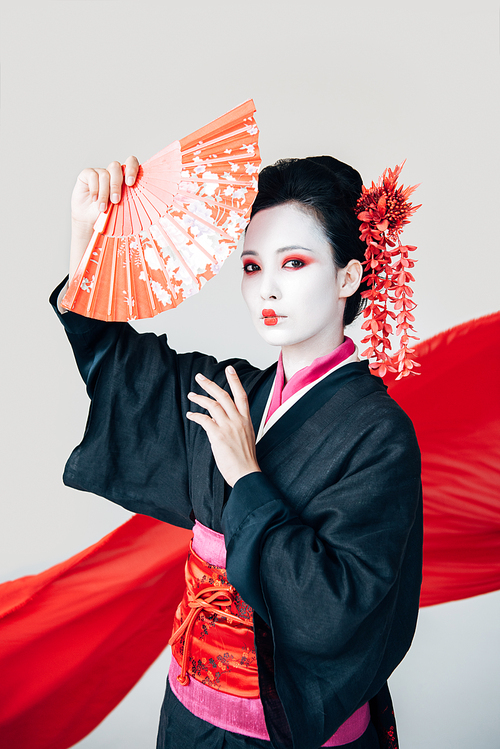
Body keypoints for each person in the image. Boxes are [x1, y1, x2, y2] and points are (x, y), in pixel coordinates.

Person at [50, 154, 422, 749]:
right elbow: (119, 367)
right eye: (251, 267)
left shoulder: (378, 436)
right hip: (187, 715)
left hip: (284, 733)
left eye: (293, 263)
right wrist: (87, 239)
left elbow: (335, 607)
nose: (266, 289)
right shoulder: (232, 395)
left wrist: (247, 477)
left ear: (349, 277)